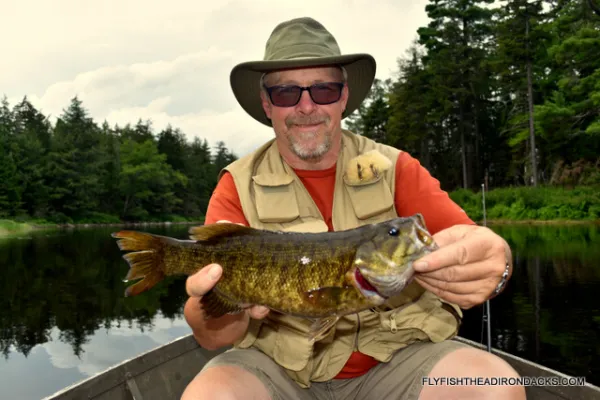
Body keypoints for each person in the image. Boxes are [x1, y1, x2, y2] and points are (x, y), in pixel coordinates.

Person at [181, 17, 525, 400]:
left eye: (323, 89)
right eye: (285, 93)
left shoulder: (395, 168)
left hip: (400, 359)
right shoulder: (237, 186)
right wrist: (221, 305)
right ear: (267, 104)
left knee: (493, 389)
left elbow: (473, 245)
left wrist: (498, 261)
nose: (306, 106)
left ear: (343, 97)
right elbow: (212, 335)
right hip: (279, 370)